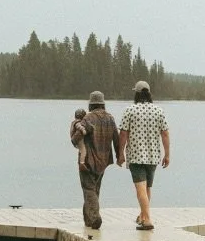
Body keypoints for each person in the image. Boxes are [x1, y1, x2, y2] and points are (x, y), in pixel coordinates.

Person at [117, 79, 170, 230]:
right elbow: (165, 134)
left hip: (136, 155)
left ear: (137, 94)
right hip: (153, 156)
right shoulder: (158, 111)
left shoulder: (130, 110)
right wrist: (167, 155)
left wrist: (120, 153)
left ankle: (147, 220)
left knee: (140, 188)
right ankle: (142, 215)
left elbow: (123, 134)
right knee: (147, 188)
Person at [70, 90, 118, 231]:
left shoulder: (88, 118)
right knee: (94, 189)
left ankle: (95, 217)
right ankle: (88, 220)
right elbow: (116, 137)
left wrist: (74, 138)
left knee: (88, 188)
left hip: (88, 160)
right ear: (103, 104)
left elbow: (76, 138)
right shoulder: (110, 118)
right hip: (103, 160)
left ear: (91, 104)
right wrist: (120, 155)